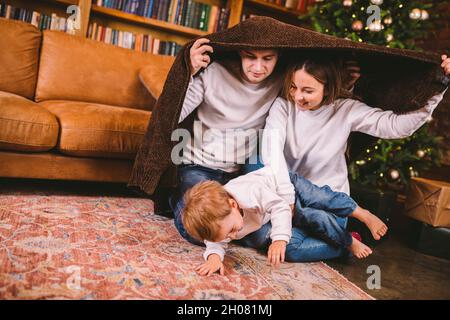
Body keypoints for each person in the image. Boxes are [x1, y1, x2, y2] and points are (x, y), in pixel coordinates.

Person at [261, 55, 450, 203]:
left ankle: (342, 238)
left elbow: (396, 126)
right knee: (263, 234)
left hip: (328, 201)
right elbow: (271, 149)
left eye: (308, 91)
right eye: (294, 87)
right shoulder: (283, 106)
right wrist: (286, 197)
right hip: (287, 195)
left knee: (296, 244)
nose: (297, 96)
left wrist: (436, 88)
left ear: (327, 89)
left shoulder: (346, 109)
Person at [182, 167, 387, 276]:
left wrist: (280, 239)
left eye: (232, 230)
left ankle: (361, 213)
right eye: (228, 236)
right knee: (311, 218)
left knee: (322, 199)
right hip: (272, 214)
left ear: (233, 204)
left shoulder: (250, 192)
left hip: (287, 187)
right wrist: (214, 257)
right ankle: (346, 241)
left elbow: (280, 206)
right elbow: (215, 241)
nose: (233, 237)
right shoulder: (222, 218)